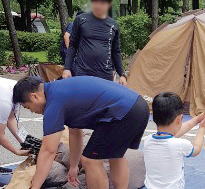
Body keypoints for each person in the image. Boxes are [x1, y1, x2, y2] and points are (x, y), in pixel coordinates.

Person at [12, 76, 149, 189]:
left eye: (28, 107)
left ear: (34, 96)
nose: (32, 111)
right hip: (138, 106)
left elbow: (48, 151)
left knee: (90, 160)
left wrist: (35, 186)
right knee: (115, 156)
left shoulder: (54, 103)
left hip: (122, 112)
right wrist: (73, 166)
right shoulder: (60, 90)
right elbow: (75, 132)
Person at [143, 92, 205, 189]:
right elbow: (196, 149)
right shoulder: (180, 144)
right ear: (179, 119)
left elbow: (174, 134)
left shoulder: (147, 141)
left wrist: (197, 119)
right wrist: (202, 128)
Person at [62, 0, 127, 85]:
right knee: (83, 99)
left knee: (104, 100)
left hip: (105, 73)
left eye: (102, 2)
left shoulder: (113, 24)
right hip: (83, 72)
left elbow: (116, 51)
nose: (99, 5)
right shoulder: (80, 19)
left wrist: (121, 74)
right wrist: (67, 68)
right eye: (96, 1)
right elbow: (73, 45)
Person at [0, 77, 30, 157]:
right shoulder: (5, 103)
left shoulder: (18, 90)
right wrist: (17, 151)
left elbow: (11, 119)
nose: (31, 110)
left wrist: (26, 142)